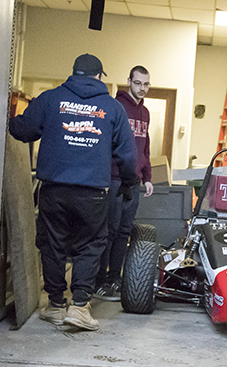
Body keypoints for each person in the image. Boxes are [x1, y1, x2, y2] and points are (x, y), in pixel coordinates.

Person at [9, 53, 138, 331]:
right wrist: (130, 183)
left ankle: (55, 306)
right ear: (99, 76)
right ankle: (79, 307)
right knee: (89, 247)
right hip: (92, 194)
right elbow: (128, 155)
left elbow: (23, 130)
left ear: (74, 73)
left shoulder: (50, 99)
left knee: (53, 245)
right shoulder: (113, 108)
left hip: (54, 190)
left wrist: (7, 118)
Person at [95, 65, 154, 301]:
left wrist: (147, 177)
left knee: (123, 232)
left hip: (135, 181)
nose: (142, 88)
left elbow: (145, 147)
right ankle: (98, 281)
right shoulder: (116, 106)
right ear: (128, 81)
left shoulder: (146, 113)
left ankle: (114, 279)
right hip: (114, 178)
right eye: (138, 83)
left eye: (146, 84)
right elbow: (106, 144)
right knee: (108, 230)